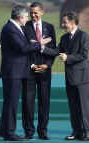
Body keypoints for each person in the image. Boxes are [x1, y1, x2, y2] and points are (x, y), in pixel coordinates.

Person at [0, 4, 50, 141]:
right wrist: (39, 43)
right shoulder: (10, 29)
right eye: (26, 16)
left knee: (9, 102)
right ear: (20, 17)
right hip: (12, 72)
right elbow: (22, 48)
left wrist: (33, 44)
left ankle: (4, 130)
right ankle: (9, 132)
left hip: (15, 72)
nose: (28, 18)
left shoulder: (16, 28)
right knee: (12, 103)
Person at [43, 11, 89, 141]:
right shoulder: (64, 38)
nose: (62, 24)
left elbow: (83, 55)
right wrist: (42, 47)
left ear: (72, 22)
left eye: (64, 22)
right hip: (70, 77)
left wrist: (68, 57)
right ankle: (76, 132)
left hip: (82, 77)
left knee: (83, 106)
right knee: (73, 106)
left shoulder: (84, 36)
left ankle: (87, 132)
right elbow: (56, 51)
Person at [22, 2, 56, 140]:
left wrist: (47, 65)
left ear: (42, 12)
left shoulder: (50, 27)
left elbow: (54, 50)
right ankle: (29, 132)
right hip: (29, 71)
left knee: (44, 101)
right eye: (31, 13)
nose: (33, 15)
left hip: (45, 72)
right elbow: (23, 50)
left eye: (36, 12)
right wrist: (31, 65)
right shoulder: (24, 27)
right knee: (28, 102)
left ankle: (43, 131)